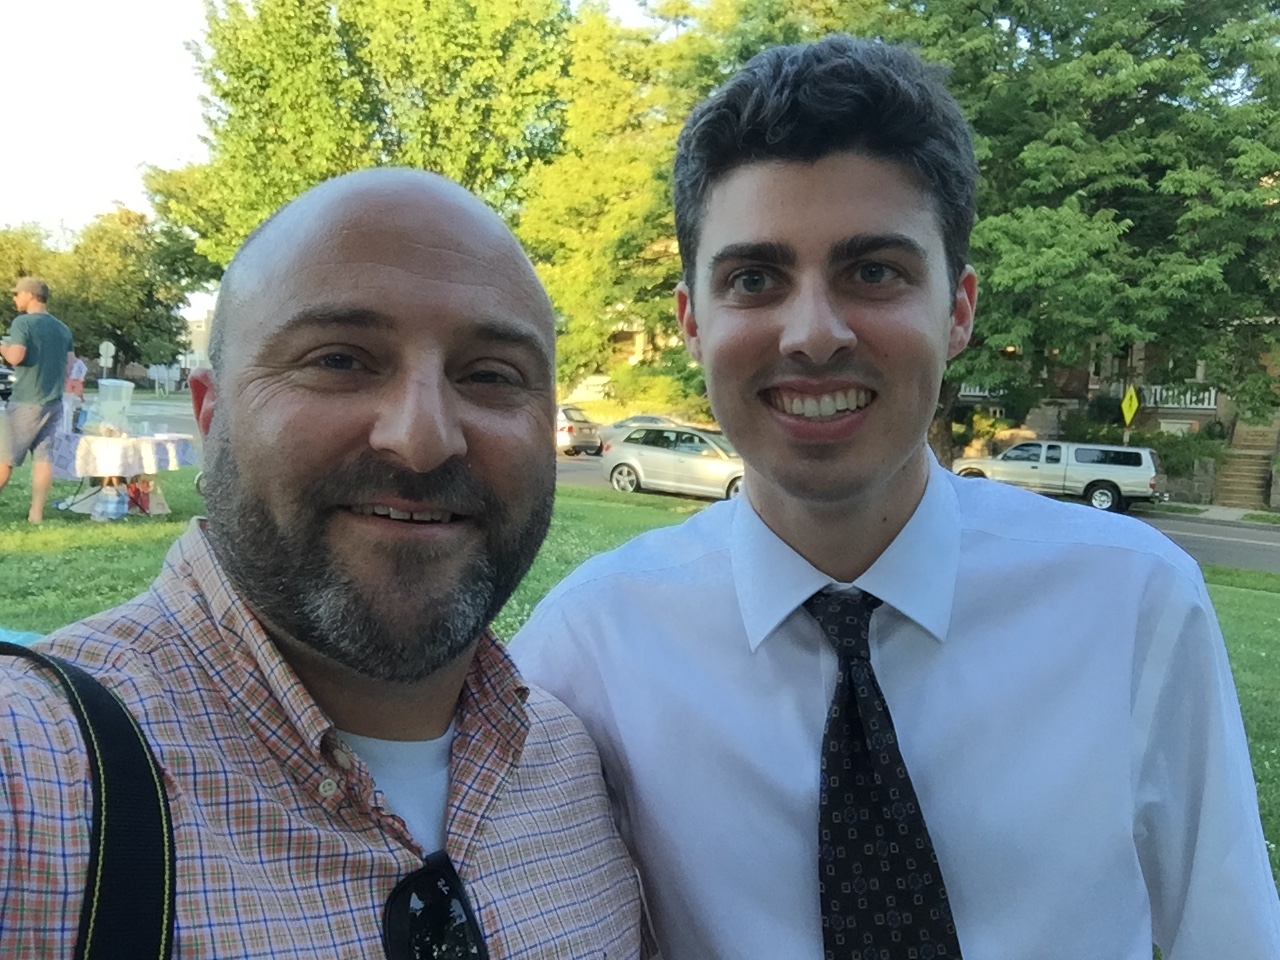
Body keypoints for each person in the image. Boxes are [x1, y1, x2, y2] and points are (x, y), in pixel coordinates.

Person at [511, 35, 1280, 960]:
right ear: (691, 322)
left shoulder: (1133, 605)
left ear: (957, 311)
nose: (814, 334)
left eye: (873, 271)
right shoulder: (587, 652)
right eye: (754, 279)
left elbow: (1227, 934)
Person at [0, 169, 643, 957]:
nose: (423, 437)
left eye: (490, 375)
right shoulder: (33, 778)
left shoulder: (580, 772)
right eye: (339, 360)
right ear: (211, 414)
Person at [0, 276, 74, 522]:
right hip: (53, 402)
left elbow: (16, 357)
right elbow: (70, 365)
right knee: (43, 459)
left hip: (25, 401)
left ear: (30, 296)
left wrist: (2, 346)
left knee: (5, 458)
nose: (15, 298)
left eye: (17, 294)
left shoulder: (23, 323)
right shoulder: (63, 328)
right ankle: (36, 513)